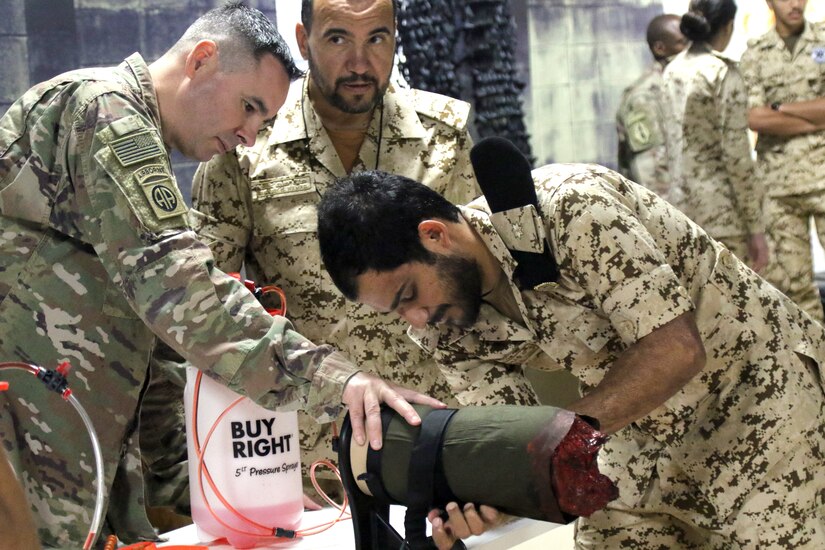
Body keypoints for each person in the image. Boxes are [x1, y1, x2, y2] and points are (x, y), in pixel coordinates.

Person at [0, 3, 439, 547]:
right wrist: (339, 381)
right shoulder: (106, 113)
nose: (249, 135)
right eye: (248, 107)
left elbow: (155, 344)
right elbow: (184, 298)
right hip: (25, 445)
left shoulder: (134, 141)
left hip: (75, 450)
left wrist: (213, 489)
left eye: (263, 120)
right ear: (202, 60)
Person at [316, 159, 825, 548]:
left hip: (761, 402)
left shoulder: (571, 209)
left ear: (435, 235)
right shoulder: (446, 324)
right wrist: (494, 499)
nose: (417, 320)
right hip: (636, 433)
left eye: (408, 295)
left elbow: (675, 349)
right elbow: (516, 443)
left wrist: (553, 445)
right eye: (396, 311)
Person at [187, 0, 539, 505]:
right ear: (303, 41)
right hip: (313, 457)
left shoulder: (440, 134)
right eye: (337, 39)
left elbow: (482, 290)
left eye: (377, 38)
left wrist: (502, 437)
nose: (360, 62)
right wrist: (233, 469)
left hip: (435, 434)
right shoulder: (246, 144)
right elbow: (212, 308)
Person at [663, 0, 769, 273]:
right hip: (724, 216)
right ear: (728, 26)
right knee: (738, 308)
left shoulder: (671, 70)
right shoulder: (721, 72)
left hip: (681, 212)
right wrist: (756, 227)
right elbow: (737, 156)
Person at [740, 0, 825, 321]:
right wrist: (816, 117)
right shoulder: (756, 54)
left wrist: (781, 108)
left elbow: (769, 113)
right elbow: (756, 118)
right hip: (780, 187)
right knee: (795, 288)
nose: (795, 4)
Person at [616, 13, 687, 199]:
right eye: (682, 42)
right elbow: (652, 174)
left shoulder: (677, 85)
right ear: (660, 48)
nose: (688, 49)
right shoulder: (644, 97)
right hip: (663, 212)